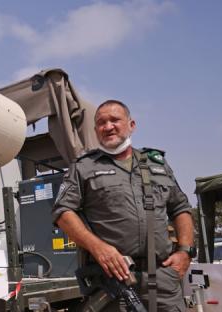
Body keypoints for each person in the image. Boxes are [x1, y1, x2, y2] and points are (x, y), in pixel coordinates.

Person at [52, 100, 194, 311]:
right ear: (95, 130)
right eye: (101, 123)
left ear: (131, 125)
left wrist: (185, 251)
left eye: (114, 120)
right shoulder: (83, 167)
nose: (108, 126)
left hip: (164, 280)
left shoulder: (157, 164)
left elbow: (181, 208)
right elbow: (62, 212)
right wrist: (98, 247)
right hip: (115, 282)